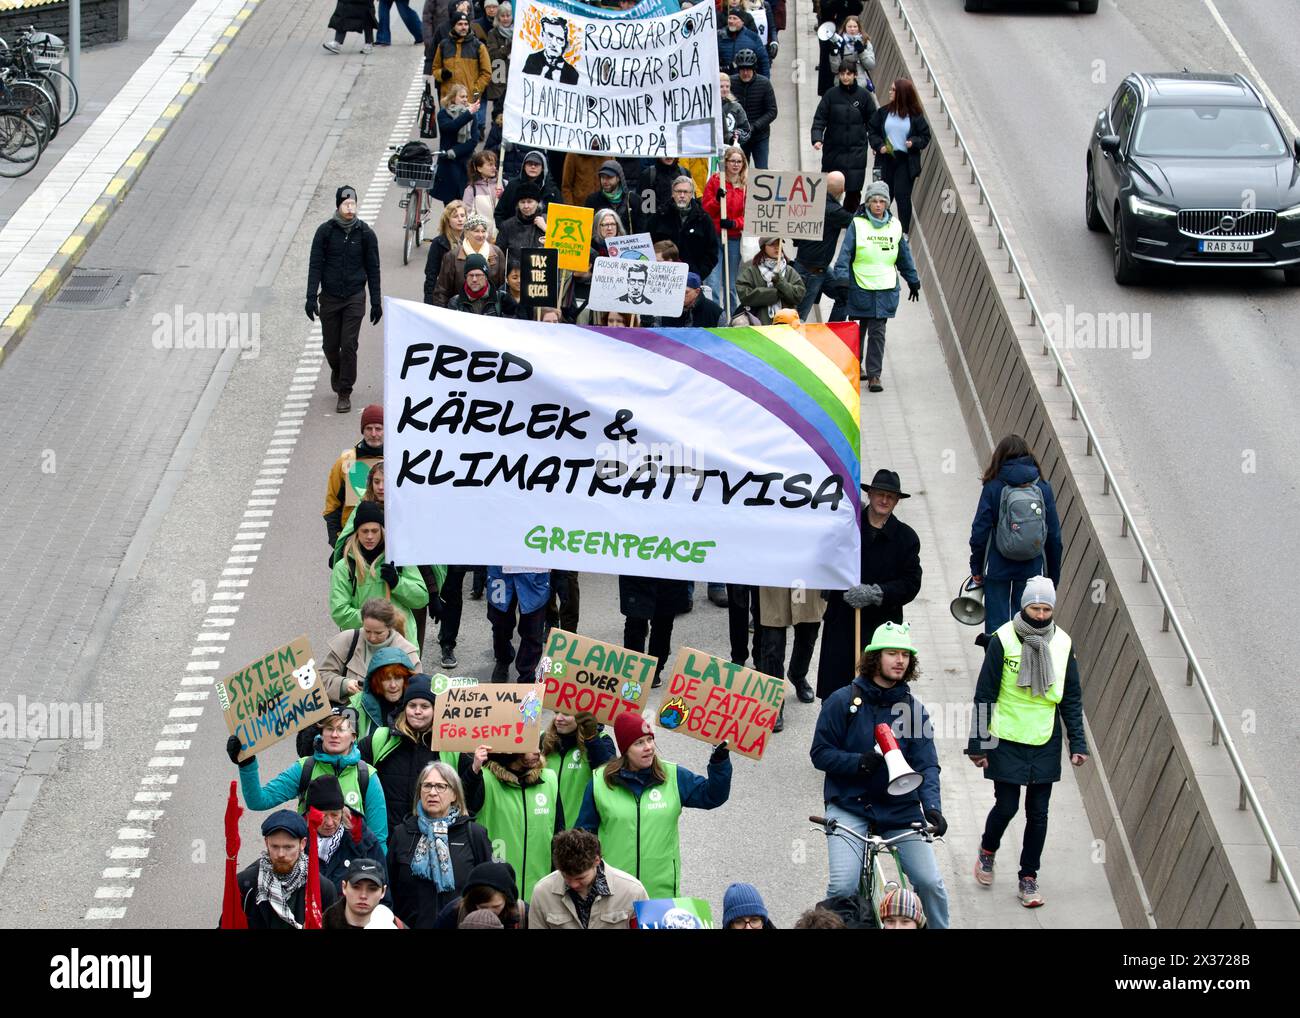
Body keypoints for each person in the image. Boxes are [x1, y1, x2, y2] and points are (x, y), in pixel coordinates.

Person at [810, 621, 950, 928]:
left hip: (900, 810)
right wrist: (859, 763)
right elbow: (820, 753)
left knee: (930, 883)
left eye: (905, 655)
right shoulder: (841, 701)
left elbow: (927, 765)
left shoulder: (915, 711)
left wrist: (933, 808)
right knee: (842, 889)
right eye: (892, 653)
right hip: (849, 805)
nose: (900, 660)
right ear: (875, 657)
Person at [968, 578, 1087, 907]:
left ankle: (1028, 877)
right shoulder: (1003, 639)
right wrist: (978, 744)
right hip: (1005, 736)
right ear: (1024, 606)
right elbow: (984, 695)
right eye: (1034, 608)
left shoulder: (1062, 643)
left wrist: (1078, 743)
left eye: (1046, 608)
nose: (1039, 614)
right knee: (1006, 807)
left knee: (1038, 814)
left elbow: (1071, 698)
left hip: (1044, 737)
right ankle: (988, 851)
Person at [575, 713, 731, 898]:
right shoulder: (600, 782)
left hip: (661, 893)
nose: (648, 747)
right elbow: (584, 835)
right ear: (625, 749)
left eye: (650, 739)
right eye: (639, 743)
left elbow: (713, 795)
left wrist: (719, 761)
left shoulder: (673, 776)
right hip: (615, 892)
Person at [816, 469, 921, 700]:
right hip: (842, 621)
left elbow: (911, 583)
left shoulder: (906, 538)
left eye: (890, 497)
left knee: (876, 693)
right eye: (880, 494)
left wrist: (876, 593)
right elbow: (825, 560)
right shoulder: (846, 527)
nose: (884, 500)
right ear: (870, 494)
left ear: (896, 502)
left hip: (881, 629)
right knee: (837, 692)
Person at [229, 706, 390, 851]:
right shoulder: (304, 768)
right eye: (329, 728)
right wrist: (247, 764)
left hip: (351, 871)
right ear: (321, 733)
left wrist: (379, 878)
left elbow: (379, 840)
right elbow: (258, 801)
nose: (334, 735)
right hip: (309, 865)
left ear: (354, 736)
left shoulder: (366, 776)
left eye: (341, 729)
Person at [828, 179, 920, 389]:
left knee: (877, 332)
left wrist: (913, 279)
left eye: (882, 201)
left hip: (885, 288)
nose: (878, 205)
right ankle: (855, 366)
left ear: (887, 204)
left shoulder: (895, 226)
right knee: (859, 330)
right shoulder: (857, 224)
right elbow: (845, 254)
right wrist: (842, 279)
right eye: (874, 201)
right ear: (868, 203)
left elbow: (904, 257)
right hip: (861, 286)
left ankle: (874, 375)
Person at [968, 435, 1063, 635]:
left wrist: (976, 567)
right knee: (1027, 626)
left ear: (999, 457)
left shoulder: (994, 486)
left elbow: (980, 531)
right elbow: (1054, 536)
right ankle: (1022, 665)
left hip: (997, 568)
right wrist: (1052, 577)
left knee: (997, 629)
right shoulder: (1043, 487)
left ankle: (996, 664)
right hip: (1032, 568)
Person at [388, 761, 493, 927]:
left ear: (455, 795)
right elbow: (389, 888)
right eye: (427, 786)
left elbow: (488, 889)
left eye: (441, 786)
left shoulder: (474, 834)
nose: (432, 792)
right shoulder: (402, 834)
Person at [306, 186, 381, 414]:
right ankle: (338, 370)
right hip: (329, 297)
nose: (350, 208)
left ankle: (344, 391)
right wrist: (311, 297)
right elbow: (315, 265)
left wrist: (376, 301)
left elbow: (373, 268)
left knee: (348, 344)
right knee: (330, 346)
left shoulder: (365, 234)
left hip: (354, 296)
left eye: (353, 204)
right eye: (346, 204)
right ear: (338, 205)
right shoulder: (325, 232)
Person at [330, 500, 430, 651]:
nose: (370, 536)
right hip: (364, 649)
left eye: (374, 531)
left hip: (402, 645)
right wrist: (376, 621)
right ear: (356, 532)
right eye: (364, 531)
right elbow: (340, 613)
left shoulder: (398, 559)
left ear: (382, 531)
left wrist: (397, 583)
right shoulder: (344, 568)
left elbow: (421, 599)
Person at [463, 749, 561, 899]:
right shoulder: (484, 779)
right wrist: (473, 772)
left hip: (540, 893)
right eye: (529, 745)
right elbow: (464, 806)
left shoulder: (549, 779)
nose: (537, 750)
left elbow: (559, 832)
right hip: (496, 896)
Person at [362, 675, 447, 836]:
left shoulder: (449, 747)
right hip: (385, 840)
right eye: (412, 705)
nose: (417, 711)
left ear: (435, 710)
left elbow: (472, 798)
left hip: (430, 840)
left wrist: (475, 768)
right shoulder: (381, 739)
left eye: (425, 706)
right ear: (404, 708)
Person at [235, 811, 339, 928]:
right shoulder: (246, 884)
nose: (281, 854)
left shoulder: (322, 889)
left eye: (288, 847)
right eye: (275, 846)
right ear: (266, 843)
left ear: (302, 844)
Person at [528, 829, 648, 929]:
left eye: (581, 878)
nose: (574, 884)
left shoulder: (633, 891)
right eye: (566, 877)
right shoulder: (542, 892)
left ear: (596, 861)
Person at [306, 775, 389, 902]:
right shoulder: (297, 841)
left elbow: (384, 897)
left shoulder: (364, 841)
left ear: (343, 812)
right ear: (310, 815)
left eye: (334, 815)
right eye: (322, 816)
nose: (329, 823)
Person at [319, 604, 419, 708]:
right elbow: (320, 678)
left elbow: (417, 692)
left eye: (378, 633)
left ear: (390, 627)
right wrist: (344, 685)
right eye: (367, 631)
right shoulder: (348, 641)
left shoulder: (407, 653)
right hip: (348, 716)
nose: (372, 637)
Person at [867, 78, 931, 235]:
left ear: (902, 94)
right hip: (885, 159)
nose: (890, 92)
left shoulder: (915, 116)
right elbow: (872, 131)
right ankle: (879, 225)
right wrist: (879, 145)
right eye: (890, 89)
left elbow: (925, 136)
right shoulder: (883, 112)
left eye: (893, 90)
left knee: (902, 196)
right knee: (881, 194)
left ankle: (903, 232)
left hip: (905, 161)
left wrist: (913, 142)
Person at [813, 60, 875, 214]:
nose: (845, 77)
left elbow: (874, 123)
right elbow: (820, 118)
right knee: (829, 188)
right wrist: (817, 138)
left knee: (853, 190)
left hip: (856, 152)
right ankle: (828, 217)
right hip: (833, 150)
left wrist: (875, 144)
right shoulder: (831, 95)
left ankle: (849, 221)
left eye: (848, 74)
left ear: (854, 75)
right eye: (842, 74)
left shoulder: (864, 96)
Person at [757, 584, 822, 731]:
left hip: (805, 580)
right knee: (772, 643)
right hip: (776, 575)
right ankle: (773, 702)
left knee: (808, 632)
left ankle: (797, 674)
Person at [793, 170, 854, 321]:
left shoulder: (810, 203)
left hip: (818, 268)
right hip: (811, 272)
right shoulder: (834, 211)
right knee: (798, 318)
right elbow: (855, 222)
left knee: (844, 295)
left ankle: (831, 335)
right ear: (842, 190)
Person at [322, 403, 383, 548]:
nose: (373, 434)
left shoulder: (398, 460)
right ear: (363, 430)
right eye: (369, 428)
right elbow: (332, 504)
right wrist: (336, 539)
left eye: (378, 428)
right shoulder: (346, 461)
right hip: (353, 538)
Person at [541, 711, 616, 825]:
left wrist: (592, 739)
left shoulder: (601, 740)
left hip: (581, 834)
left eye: (566, 714)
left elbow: (610, 776)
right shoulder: (543, 740)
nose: (558, 718)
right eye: (556, 712)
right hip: (546, 829)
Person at [617, 574, 691, 689]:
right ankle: (633, 669)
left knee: (663, 620)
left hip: (669, 572)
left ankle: (655, 669)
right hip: (638, 571)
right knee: (635, 620)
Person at [702, 145, 746, 317]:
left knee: (731, 284)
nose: (735, 165)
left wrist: (734, 223)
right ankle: (715, 317)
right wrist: (717, 199)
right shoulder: (715, 181)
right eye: (732, 161)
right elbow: (705, 208)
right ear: (726, 162)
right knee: (713, 281)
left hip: (733, 238)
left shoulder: (746, 185)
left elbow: (749, 215)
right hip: (714, 237)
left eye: (739, 161)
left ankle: (732, 316)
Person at [485, 566, 549, 680]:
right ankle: (503, 659)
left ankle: (527, 674)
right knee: (500, 626)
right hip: (501, 575)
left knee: (533, 630)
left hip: (535, 574)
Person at [650, 175, 719, 283]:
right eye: (679, 191)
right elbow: (649, 245)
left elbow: (712, 253)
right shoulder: (660, 215)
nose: (682, 195)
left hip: (691, 280)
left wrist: (699, 275)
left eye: (686, 192)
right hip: (662, 278)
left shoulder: (703, 218)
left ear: (692, 194)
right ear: (672, 193)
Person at [346, 643, 416, 743]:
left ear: (406, 679)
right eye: (386, 679)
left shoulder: (420, 706)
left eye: (398, 678)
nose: (393, 685)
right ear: (375, 681)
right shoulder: (355, 709)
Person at [432, 212, 505, 305]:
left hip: (490, 312)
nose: (481, 235)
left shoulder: (497, 253)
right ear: (466, 233)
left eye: (483, 231)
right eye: (476, 231)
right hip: (460, 311)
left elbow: (503, 287)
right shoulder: (452, 256)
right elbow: (442, 291)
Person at [435, 861, 527, 929]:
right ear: (472, 902)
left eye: (496, 906)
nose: (489, 912)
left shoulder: (523, 914)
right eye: (483, 907)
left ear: (508, 900)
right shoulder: (454, 914)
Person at [431, 83, 481, 208]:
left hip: (465, 163)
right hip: (448, 163)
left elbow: (473, 141)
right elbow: (451, 127)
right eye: (462, 97)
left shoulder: (471, 115)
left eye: (466, 97)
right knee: (450, 205)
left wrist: (455, 151)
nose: (465, 99)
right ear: (453, 98)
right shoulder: (443, 114)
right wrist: (468, 114)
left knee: (465, 203)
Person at [736, 236, 805, 325]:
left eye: (779, 244)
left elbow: (799, 295)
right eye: (772, 244)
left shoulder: (790, 270)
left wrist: (782, 284)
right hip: (760, 325)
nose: (777, 247)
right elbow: (744, 295)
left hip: (787, 325)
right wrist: (775, 293)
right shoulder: (752, 271)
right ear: (763, 247)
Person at [431, 12, 490, 113]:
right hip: (448, 100)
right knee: (449, 128)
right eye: (460, 24)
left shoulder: (478, 46)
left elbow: (486, 73)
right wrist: (441, 74)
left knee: (471, 128)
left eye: (466, 24)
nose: (463, 27)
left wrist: (475, 90)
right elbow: (435, 69)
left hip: (469, 100)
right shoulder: (443, 45)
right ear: (453, 26)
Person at [323, 857, 404, 929]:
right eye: (356, 887)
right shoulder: (320, 923)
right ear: (344, 887)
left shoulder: (395, 925)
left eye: (372, 889)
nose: (363, 895)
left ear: (383, 892)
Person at [730, 50, 777, 168]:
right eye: (742, 69)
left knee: (762, 170)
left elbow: (772, 111)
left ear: (754, 68)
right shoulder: (731, 83)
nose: (745, 73)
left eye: (748, 69)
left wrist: (755, 126)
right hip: (739, 137)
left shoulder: (764, 84)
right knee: (738, 171)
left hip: (760, 136)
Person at [497, 150, 563, 228]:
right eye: (529, 164)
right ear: (524, 166)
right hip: (513, 234)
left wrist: (546, 229)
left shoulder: (552, 190)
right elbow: (499, 213)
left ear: (543, 168)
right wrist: (505, 230)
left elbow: (560, 217)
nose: (533, 167)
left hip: (540, 235)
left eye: (537, 164)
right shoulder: (512, 186)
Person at [447, 252, 518, 316]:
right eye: (471, 275)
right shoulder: (455, 303)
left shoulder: (502, 299)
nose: (474, 279)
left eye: (478, 275)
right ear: (465, 277)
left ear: (486, 277)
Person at [425, 200, 467, 305]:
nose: (460, 219)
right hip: (445, 296)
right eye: (455, 216)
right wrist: (429, 301)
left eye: (462, 215)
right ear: (448, 220)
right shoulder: (438, 243)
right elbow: (431, 274)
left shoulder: (470, 240)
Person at [634, 157, 691, 233]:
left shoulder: (684, 173)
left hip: (681, 229)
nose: (669, 156)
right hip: (657, 231)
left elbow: (691, 202)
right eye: (665, 153)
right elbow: (643, 211)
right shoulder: (648, 175)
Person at [495, 182, 548, 260]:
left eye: (530, 202)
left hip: (542, 270)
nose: (526, 206)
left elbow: (562, 248)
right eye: (522, 202)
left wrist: (546, 229)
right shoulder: (507, 226)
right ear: (518, 204)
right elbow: (499, 255)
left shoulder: (548, 220)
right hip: (516, 270)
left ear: (537, 203)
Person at [522, 13, 579, 83]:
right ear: (542, 35)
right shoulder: (532, 60)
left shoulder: (572, 73)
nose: (553, 43)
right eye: (550, 35)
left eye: (560, 39)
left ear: (566, 44)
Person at [585, 160, 636, 236]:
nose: (605, 181)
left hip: (627, 246)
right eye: (602, 177)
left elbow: (641, 230)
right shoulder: (592, 200)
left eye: (609, 177)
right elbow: (587, 229)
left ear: (618, 178)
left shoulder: (633, 200)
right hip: (599, 246)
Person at [481, 2, 513, 125]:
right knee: (498, 110)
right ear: (498, 17)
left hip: (514, 76)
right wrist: (508, 48)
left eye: (508, 15)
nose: (505, 18)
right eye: (503, 16)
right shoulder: (492, 33)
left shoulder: (519, 31)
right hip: (499, 77)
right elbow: (493, 55)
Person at [717, 7, 769, 76]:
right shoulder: (719, 36)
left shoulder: (753, 37)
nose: (731, 21)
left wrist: (764, 82)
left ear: (742, 22)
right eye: (730, 18)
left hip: (745, 81)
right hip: (724, 83)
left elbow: (763, 62)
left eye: (735, 18)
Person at [829, 14, 875, 92]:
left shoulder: (865, 42)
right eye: (849, 27)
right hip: (842, 83)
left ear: (859, 28)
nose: (852, 29)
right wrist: (834, 55)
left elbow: (871, 65)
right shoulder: (839, 42)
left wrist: (862, 52)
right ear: (845, 28)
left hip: (861, 83)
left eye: (855, 27)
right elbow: (835, 69)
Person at [462, 151, 500, 236]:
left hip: (500, 236)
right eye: (490, 165)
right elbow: (468, 216)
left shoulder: (502, 184)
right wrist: (480, 233)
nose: (494, 168)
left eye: (495, 164)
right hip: (481, 237)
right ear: (479, 168)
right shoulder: (471, 190)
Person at [718, 72, 752, 150]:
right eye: (721, 86)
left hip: (731, 150)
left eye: (727, 86)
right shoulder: (709, 107)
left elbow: (746, 129)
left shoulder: (736, 107)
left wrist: (737, 135)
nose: (725, 89)